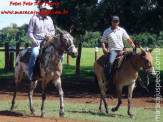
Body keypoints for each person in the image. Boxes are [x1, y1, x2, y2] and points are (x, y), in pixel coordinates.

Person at [101, 15, 135, 80]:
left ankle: (132, 77)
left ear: (118, 22)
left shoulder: (122, 30)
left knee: (132, 60)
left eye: (116, 22)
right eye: (114, 21)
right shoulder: (107, 31)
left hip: (122, 50)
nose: (115, 23)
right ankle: (107, 79)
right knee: (110, 62)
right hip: (112, 50)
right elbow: (103, 41)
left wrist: (132, 43)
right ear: (111, 22)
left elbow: (127, 39)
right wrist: (104, 48)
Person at [28, 3, 55, 80]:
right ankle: (31, 74)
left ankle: (53, 73)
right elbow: (30, 32)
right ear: (42, 10)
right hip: (37, 41)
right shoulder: (34, 19)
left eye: (49, 10)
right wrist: (34, 41)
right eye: (47, 10)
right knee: (34, 53)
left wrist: (50, 35)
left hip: (48, 41)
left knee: (61, 56)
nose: (48, 11)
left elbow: (53, 31)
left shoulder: (50, 19)